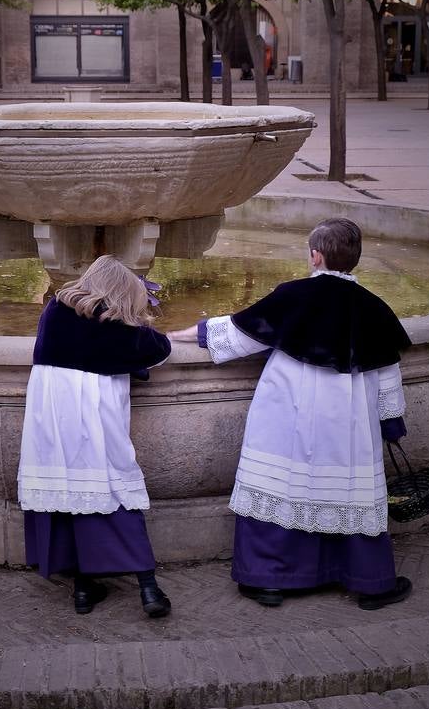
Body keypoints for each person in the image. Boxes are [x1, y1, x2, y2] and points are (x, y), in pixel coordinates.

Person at [169, 218, 413, 610]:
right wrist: (391, 423)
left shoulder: (293, 296)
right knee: (349, 491)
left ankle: (268, 579)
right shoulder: (375, 308)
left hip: (289, 410)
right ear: (354, 260)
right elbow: (387, 372)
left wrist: (173, 335)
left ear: (315, 256)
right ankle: (370, 580)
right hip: (349, 422)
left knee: (280, 484)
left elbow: (239, 335)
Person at [18, 255, 172, 618]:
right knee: (114, 489)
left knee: (69, 494)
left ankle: (84, 590)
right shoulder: (116, 324)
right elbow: (160, 348)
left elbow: (85, 346)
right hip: (94, 420)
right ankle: (148, 588)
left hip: (51, 419)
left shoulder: (54, 312)